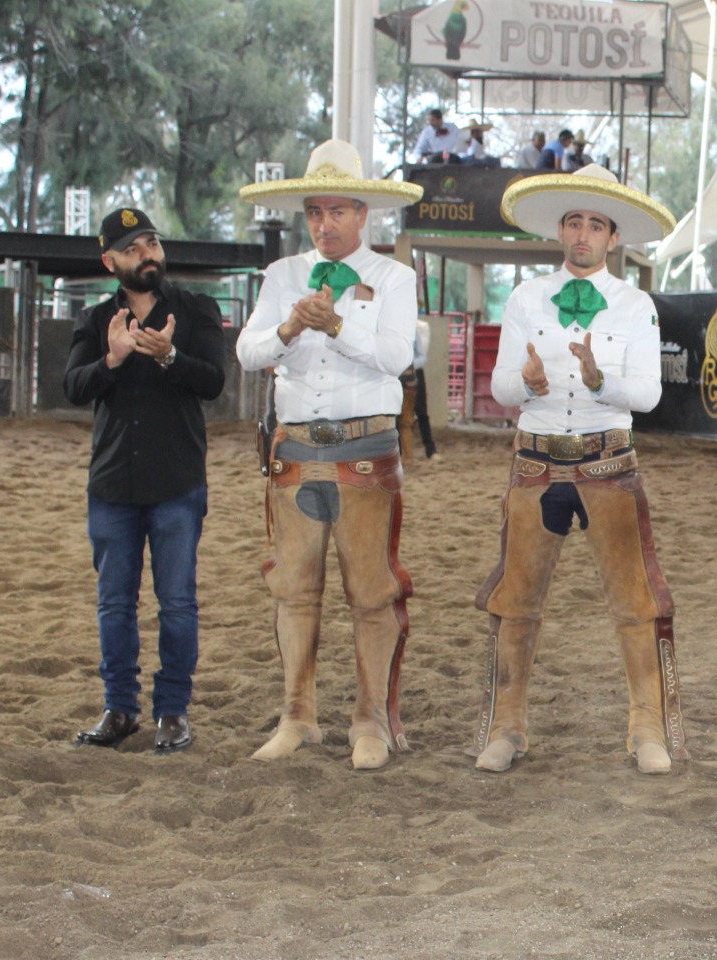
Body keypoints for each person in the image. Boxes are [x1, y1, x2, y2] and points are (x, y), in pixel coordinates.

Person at [472, 163, 688, 777]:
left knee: (634, 601)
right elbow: (501, 386)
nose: (584, 235)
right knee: (517, 602)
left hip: (608, 464)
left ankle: (647, 726)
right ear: (561, 232)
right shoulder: (524, 297)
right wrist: (527, 381)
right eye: (574, 222)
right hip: (535, 464)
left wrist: (601, 381)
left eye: (596, 224)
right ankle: (506, 726)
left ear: (613, 238)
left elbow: (646, 396)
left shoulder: (636, 305)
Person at [235, 140, 424, 770]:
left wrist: (338, 326)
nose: (324, 224)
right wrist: (291, 327)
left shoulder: (395, 278)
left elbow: (399, 356)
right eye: (315, 211)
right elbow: (249, 351)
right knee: (293, 588)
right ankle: (298, 714)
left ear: (363, 214)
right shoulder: (281, 274)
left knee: (371, 589)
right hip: (294, 445)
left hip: (364, 446)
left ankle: (369, 719)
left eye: (337, 211)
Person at [63, 208, 226, 754]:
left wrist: (171, 356)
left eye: (152, 242)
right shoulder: (93, 321)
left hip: (178, 483)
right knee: (115, 604)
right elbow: (74, 388)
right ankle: (120, 710)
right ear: (110, 261)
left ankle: (173, 712)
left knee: (177, 602)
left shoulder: (197, 309)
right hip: (111, 486)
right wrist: (111, 360)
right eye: (133, 248)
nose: (147, 254)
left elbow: (213, 381)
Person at [397, 318, 437, 462]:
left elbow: (422, 356)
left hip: (412, 372)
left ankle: (430, 450)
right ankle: (401, 453)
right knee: (398, 416)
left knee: (421, 412)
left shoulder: (411, 329)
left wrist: (409, 365)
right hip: (396, 374)